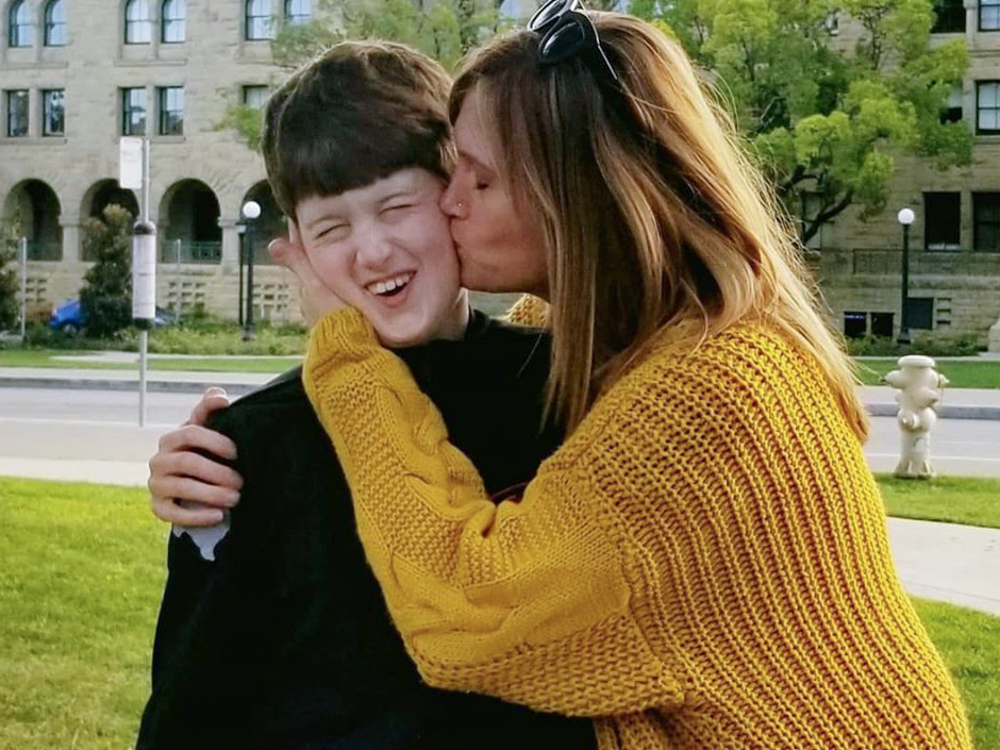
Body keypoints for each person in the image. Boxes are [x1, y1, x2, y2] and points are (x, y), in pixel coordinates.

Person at [153, 9, 972, 750]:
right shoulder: (604, 353)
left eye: (475, 180)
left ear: (571, 196)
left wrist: (343, 354)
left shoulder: (706, 390)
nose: (453, 206)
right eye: (334, 227)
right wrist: (220, 459)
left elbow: (471, 612)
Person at [136, 39, 598, 750]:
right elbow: (192, 712)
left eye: (397, 206)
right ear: (296, 246)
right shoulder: (248, 448)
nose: (373, 251)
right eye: (332, 227)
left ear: (456, 194)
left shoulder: (566, 386)